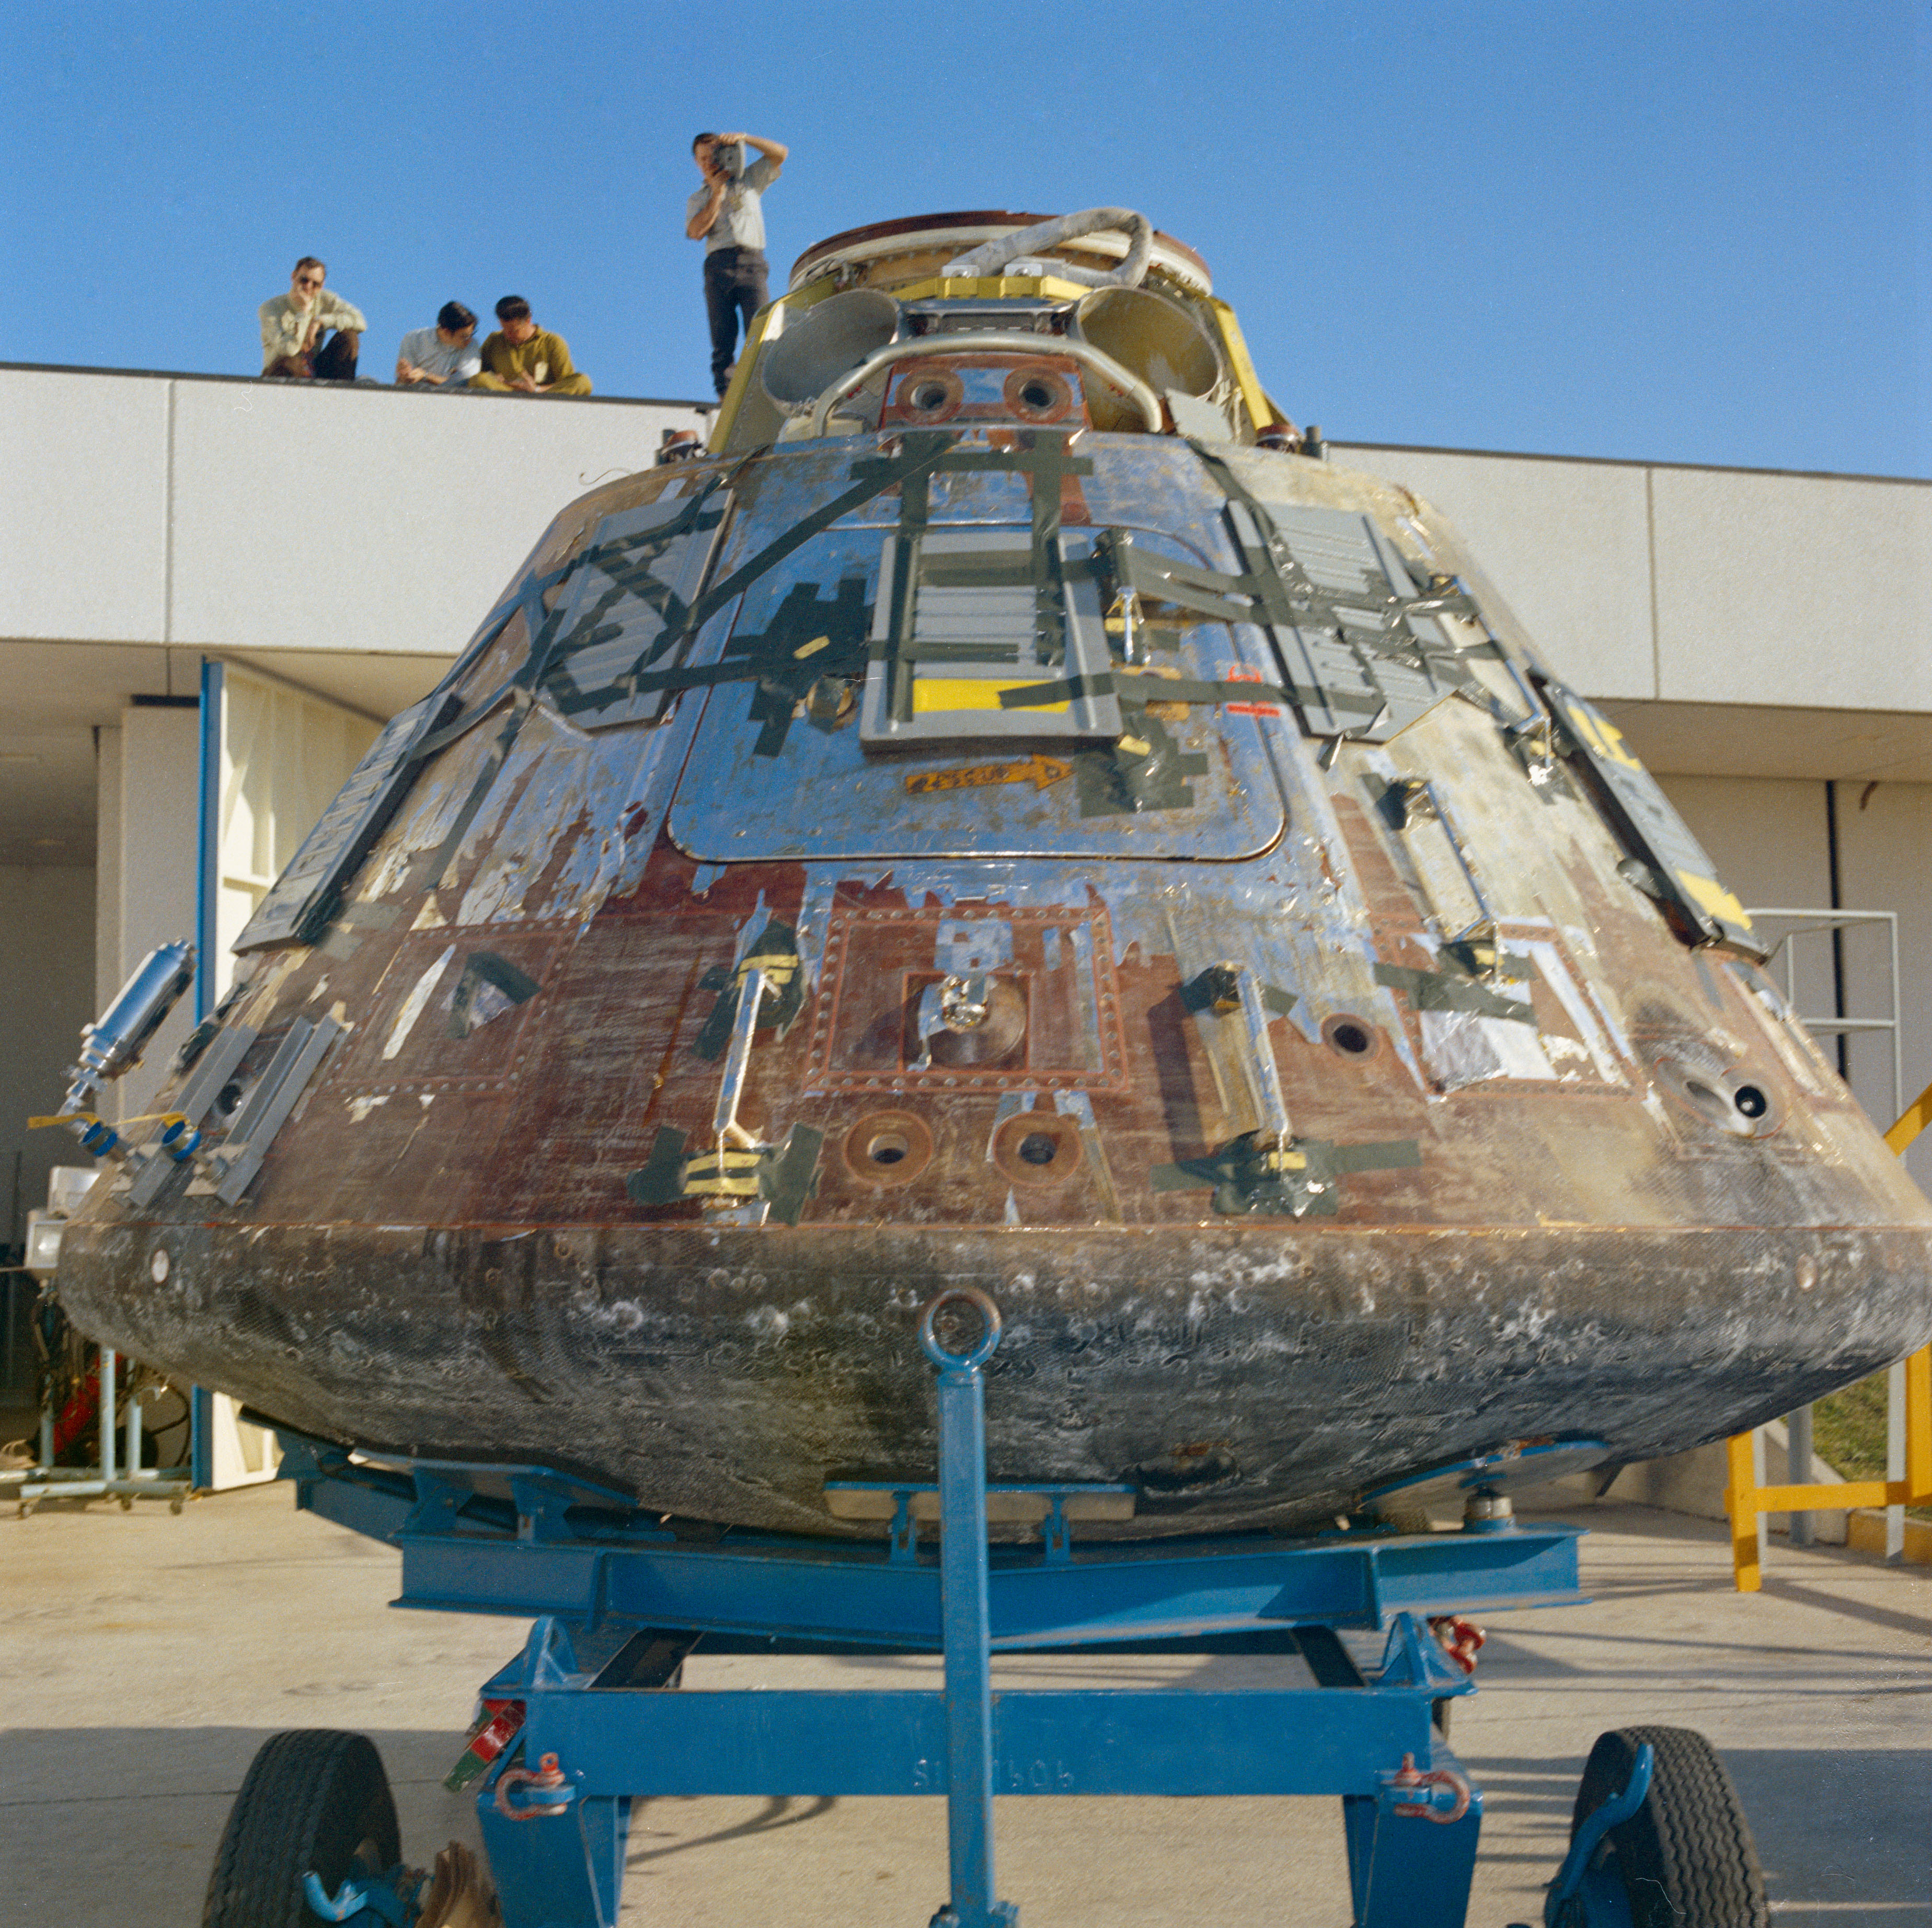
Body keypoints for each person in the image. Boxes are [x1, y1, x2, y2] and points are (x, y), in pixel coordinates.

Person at [685, 129, 788, 397]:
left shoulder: (749, 181)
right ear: (697, 163)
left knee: (763, 331)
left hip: (751, 262)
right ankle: (726, 398)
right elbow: (695, 232)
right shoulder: (698, 199)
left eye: (714, 155)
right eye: (703, 158)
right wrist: (717, 195)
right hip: (717, 266)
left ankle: (766, 392)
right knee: (722, 341)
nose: (709, 163)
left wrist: (746, 139)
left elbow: (780, 154)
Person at [260, 258, 366, 380]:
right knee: (292, 361)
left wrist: (321, 321)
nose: (308, 287)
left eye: (316, 284)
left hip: (314, 370)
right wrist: (303, 313)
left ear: (322, 286)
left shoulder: (324, 300)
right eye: (304, 280)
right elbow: (289, 350)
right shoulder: (271, 308)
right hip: (280, 372)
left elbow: (360, 322)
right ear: (293, 276)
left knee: (349, 337)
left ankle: (342, 393)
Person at [469, 297, 592, 396]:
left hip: (543, 399)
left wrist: (536, 389)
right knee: (479, 380)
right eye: (504, 329)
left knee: (582, 382)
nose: (507, 334)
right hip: (506, 397)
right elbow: (479, 373)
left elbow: (565, 382)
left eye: (513, 330)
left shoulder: (552, 342)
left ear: (528, 321)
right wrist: (502, 382)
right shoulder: (494, 340)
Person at [395, 303, 481, 388]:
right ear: (446, 332)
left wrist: (426, 376)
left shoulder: (472, 345)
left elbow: (466, 382)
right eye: (465, 337)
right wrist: (405, 376)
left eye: (472, 335)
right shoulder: (413, 339)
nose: (470, 340)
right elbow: (404, 384)